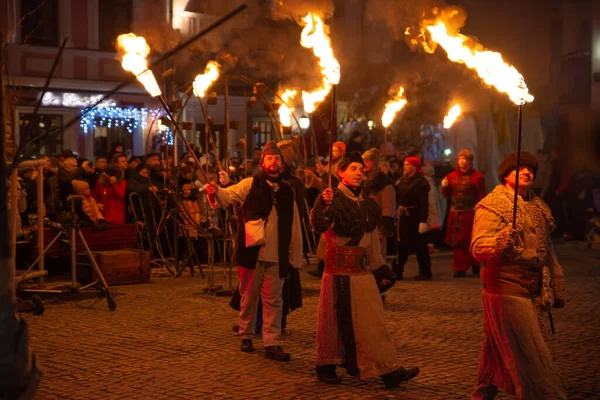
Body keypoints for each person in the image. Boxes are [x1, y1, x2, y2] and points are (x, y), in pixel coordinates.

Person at [310, 152, 419, 388]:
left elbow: (370, 242)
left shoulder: (368, 204)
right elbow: (320, 224)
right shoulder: (332, 199)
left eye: (361, 168)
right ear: (341, 172)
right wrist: (323, 204)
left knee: (373, 322)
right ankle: (326, 365)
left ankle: (388, 370)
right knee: (331, 322)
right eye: (353, 168)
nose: (359, 172)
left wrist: (380, 269)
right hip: (337, 273)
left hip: (363, 273)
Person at [470, 151, 566, 400]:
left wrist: (557, 280)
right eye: (520, 168)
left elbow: (548, 248)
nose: (527, 172)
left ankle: (482, 393)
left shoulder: (537, 205)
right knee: (531, 357)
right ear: (505, 174)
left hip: (531, 289)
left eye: (530, 169)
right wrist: (502, 242)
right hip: (505, 289)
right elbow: (478, 246)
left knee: (495, 351)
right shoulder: (492, 205)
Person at [206, 141, 302, 361]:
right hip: (253, 252)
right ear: (263, 162)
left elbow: (295, 225)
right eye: (270, 158)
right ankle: (246, 335)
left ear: (282, 163)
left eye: (277, 159)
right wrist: (215, 191)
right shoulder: (250, 184)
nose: (274, 162)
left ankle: (272, 342)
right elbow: (227, 197)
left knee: (274, 301)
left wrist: (294, 256)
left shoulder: (287, 190)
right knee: (248, 297)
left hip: (277, 255)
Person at [441, 149, 486, 277]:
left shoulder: (477, 177)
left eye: (464, 159)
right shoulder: (451, 176)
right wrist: (445, 187)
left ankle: (474, 263)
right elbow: (446, 195)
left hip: (470, 214)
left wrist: (481, 212)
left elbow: (481, 195)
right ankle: (459, 268)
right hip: (455, 214)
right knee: (457, 243)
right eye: (460, 158)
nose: (462, 161)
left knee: (470, 240)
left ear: (470, 161)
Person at [393, 157, 432, 280]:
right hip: (403, 216)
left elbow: (424, 203)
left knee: (420, 245)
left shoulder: (421, 183)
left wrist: (423, 221)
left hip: (415, 216)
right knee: (401, 244)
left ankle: (425, 272)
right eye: (404, 164)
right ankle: (397, 271)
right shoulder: (402, 180)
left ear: (414, 167)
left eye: (407, 165)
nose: (404, 167)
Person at [362, 148, 396, 260]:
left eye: (368, 161)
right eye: (363, 161)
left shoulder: (384, 184)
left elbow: (388, 208)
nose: (364, 163)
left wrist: (383, 228)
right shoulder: (361, 181)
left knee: (377, 258)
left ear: (375, 163)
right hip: (363, 226)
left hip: (376, 226)